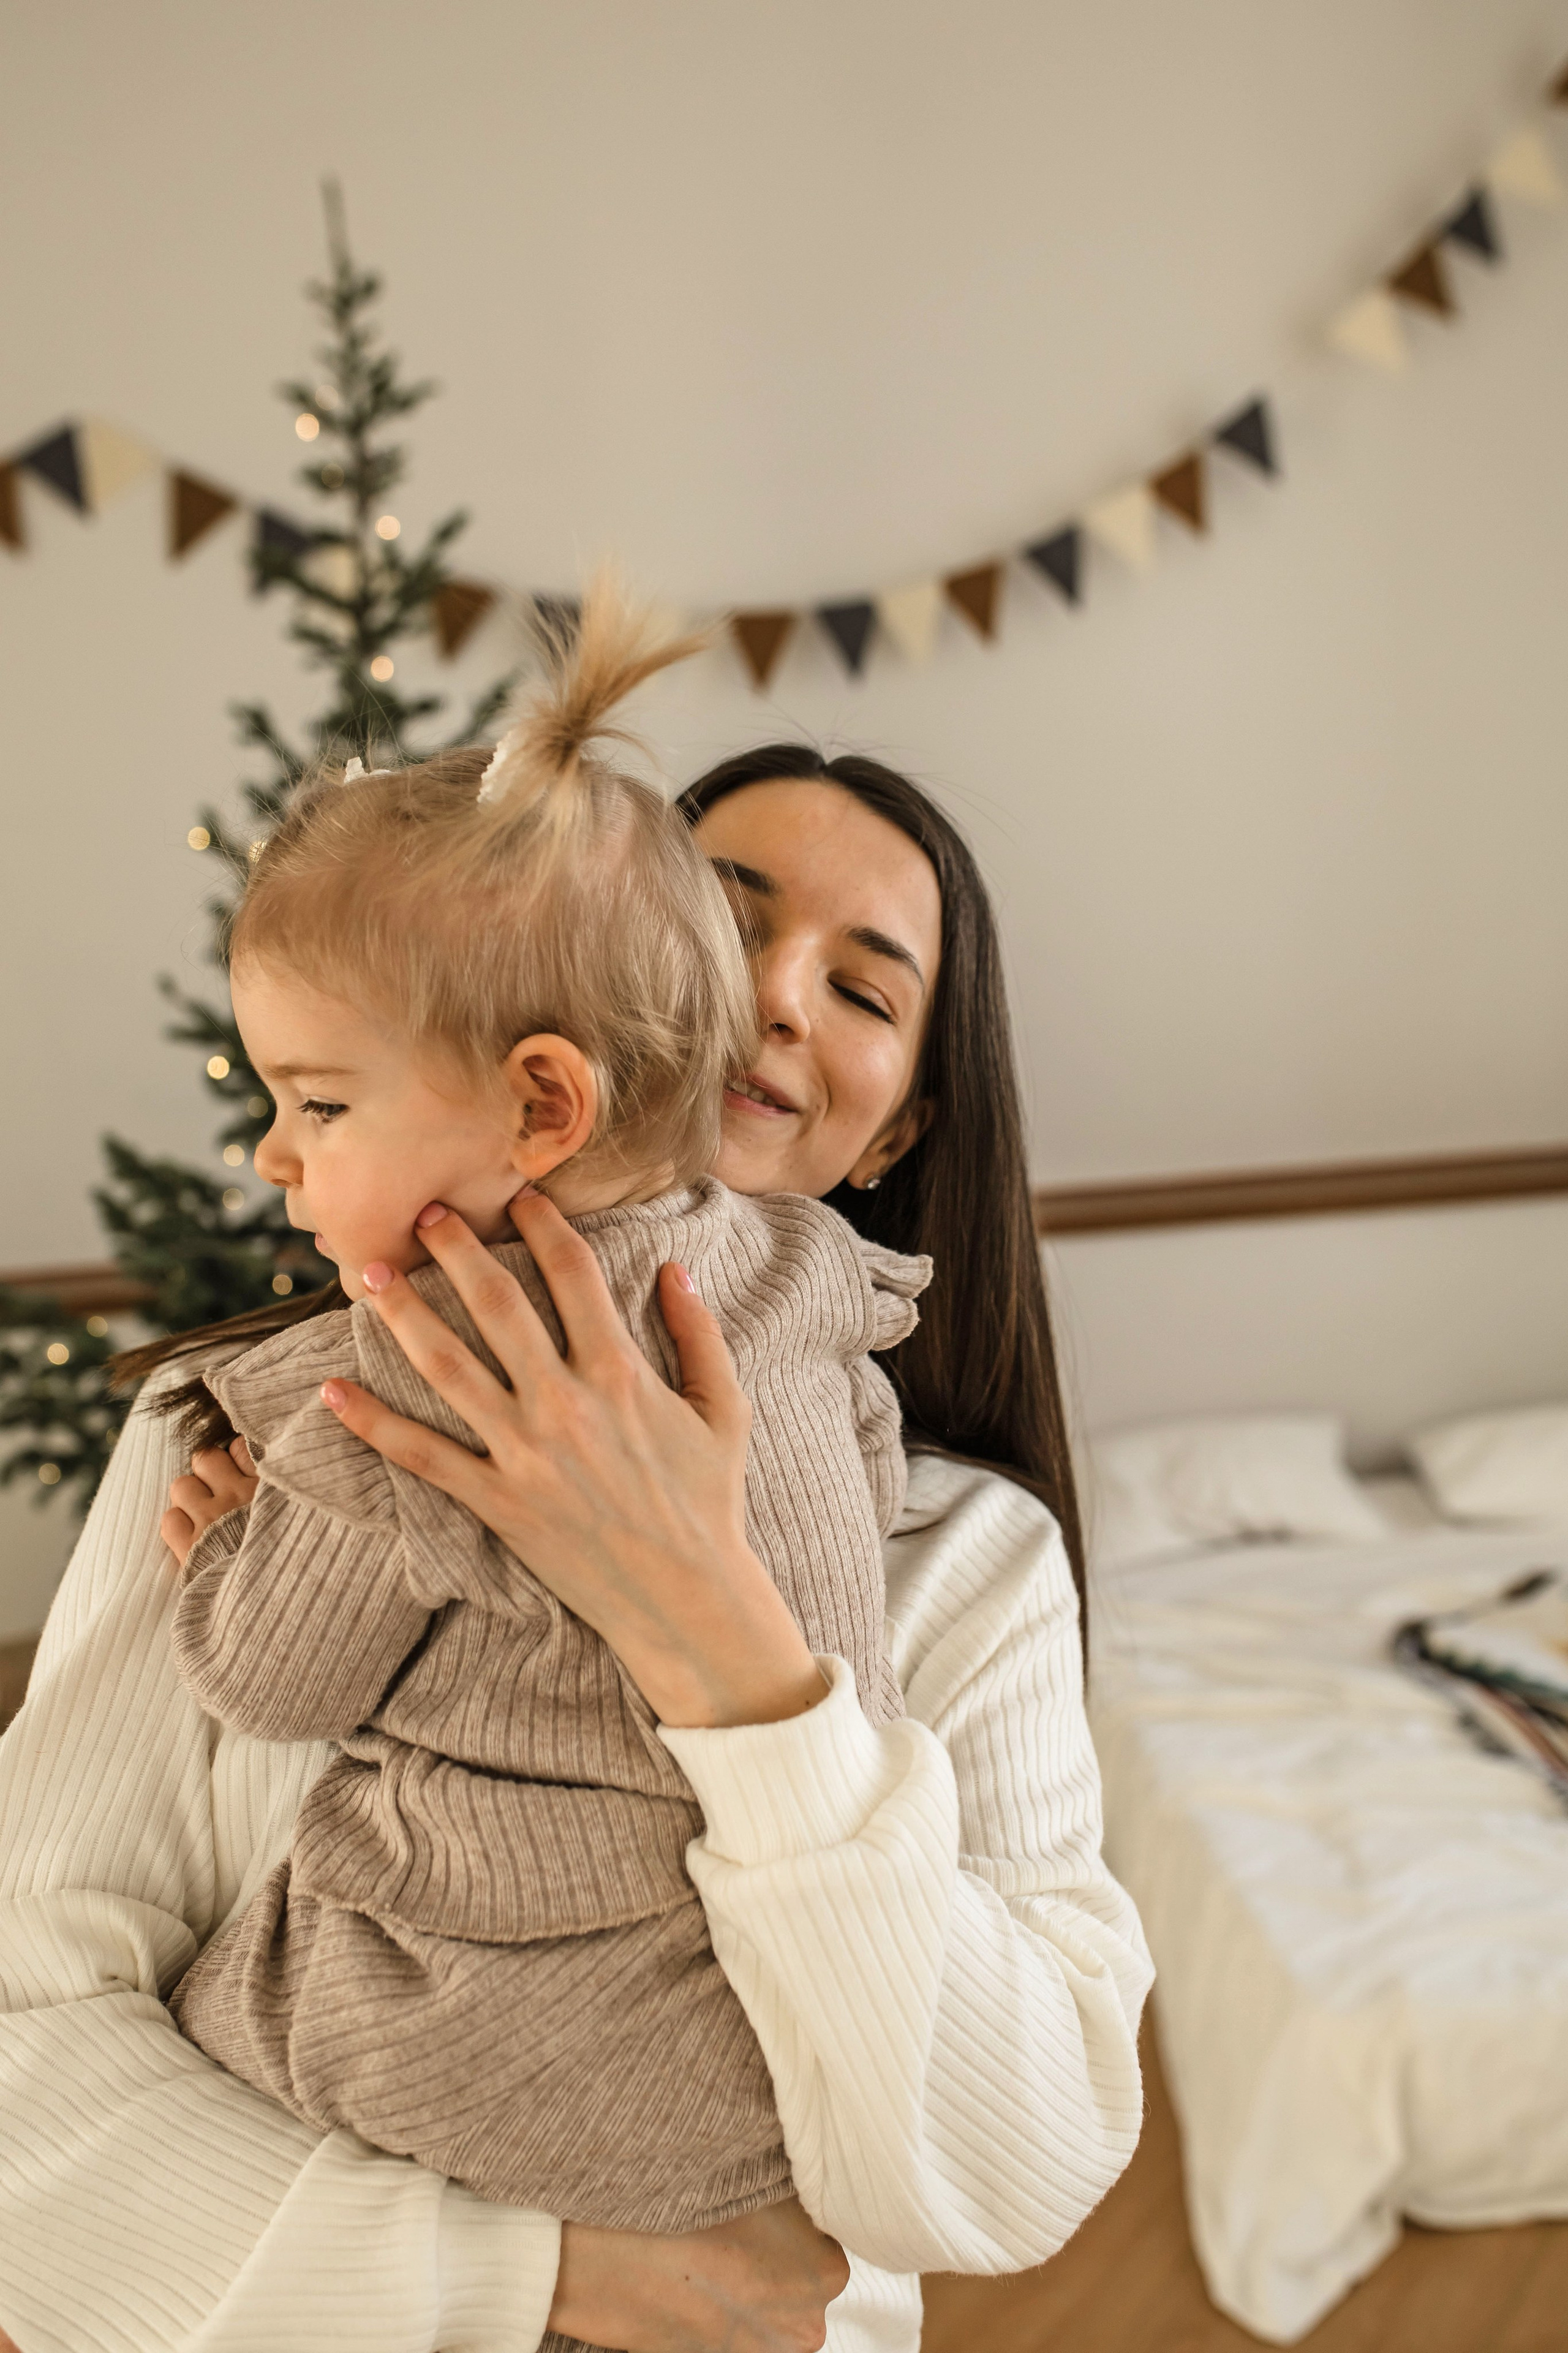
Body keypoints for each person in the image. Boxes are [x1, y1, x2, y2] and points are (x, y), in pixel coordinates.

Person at [0, 728, 1152, 2353]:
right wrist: (521, 2274)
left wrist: (730, 1653)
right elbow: (18, 2052)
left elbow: (1015, 2166)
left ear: (892, 1137)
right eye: (719, 915)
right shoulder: (253, 1438)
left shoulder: (973, 1558)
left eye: (866, 988)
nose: (769, 998)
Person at [148, 580, 931, 2255]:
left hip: (498, 2045)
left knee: (223, 2014)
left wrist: (237, 1547)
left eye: (318, 1102)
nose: (276, 1157)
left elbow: (269, 1681)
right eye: (737, 922)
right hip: (733, 2080)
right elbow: (867, 1526)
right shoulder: (803, 1277)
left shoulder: (426, 1365)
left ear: (543, 1102)